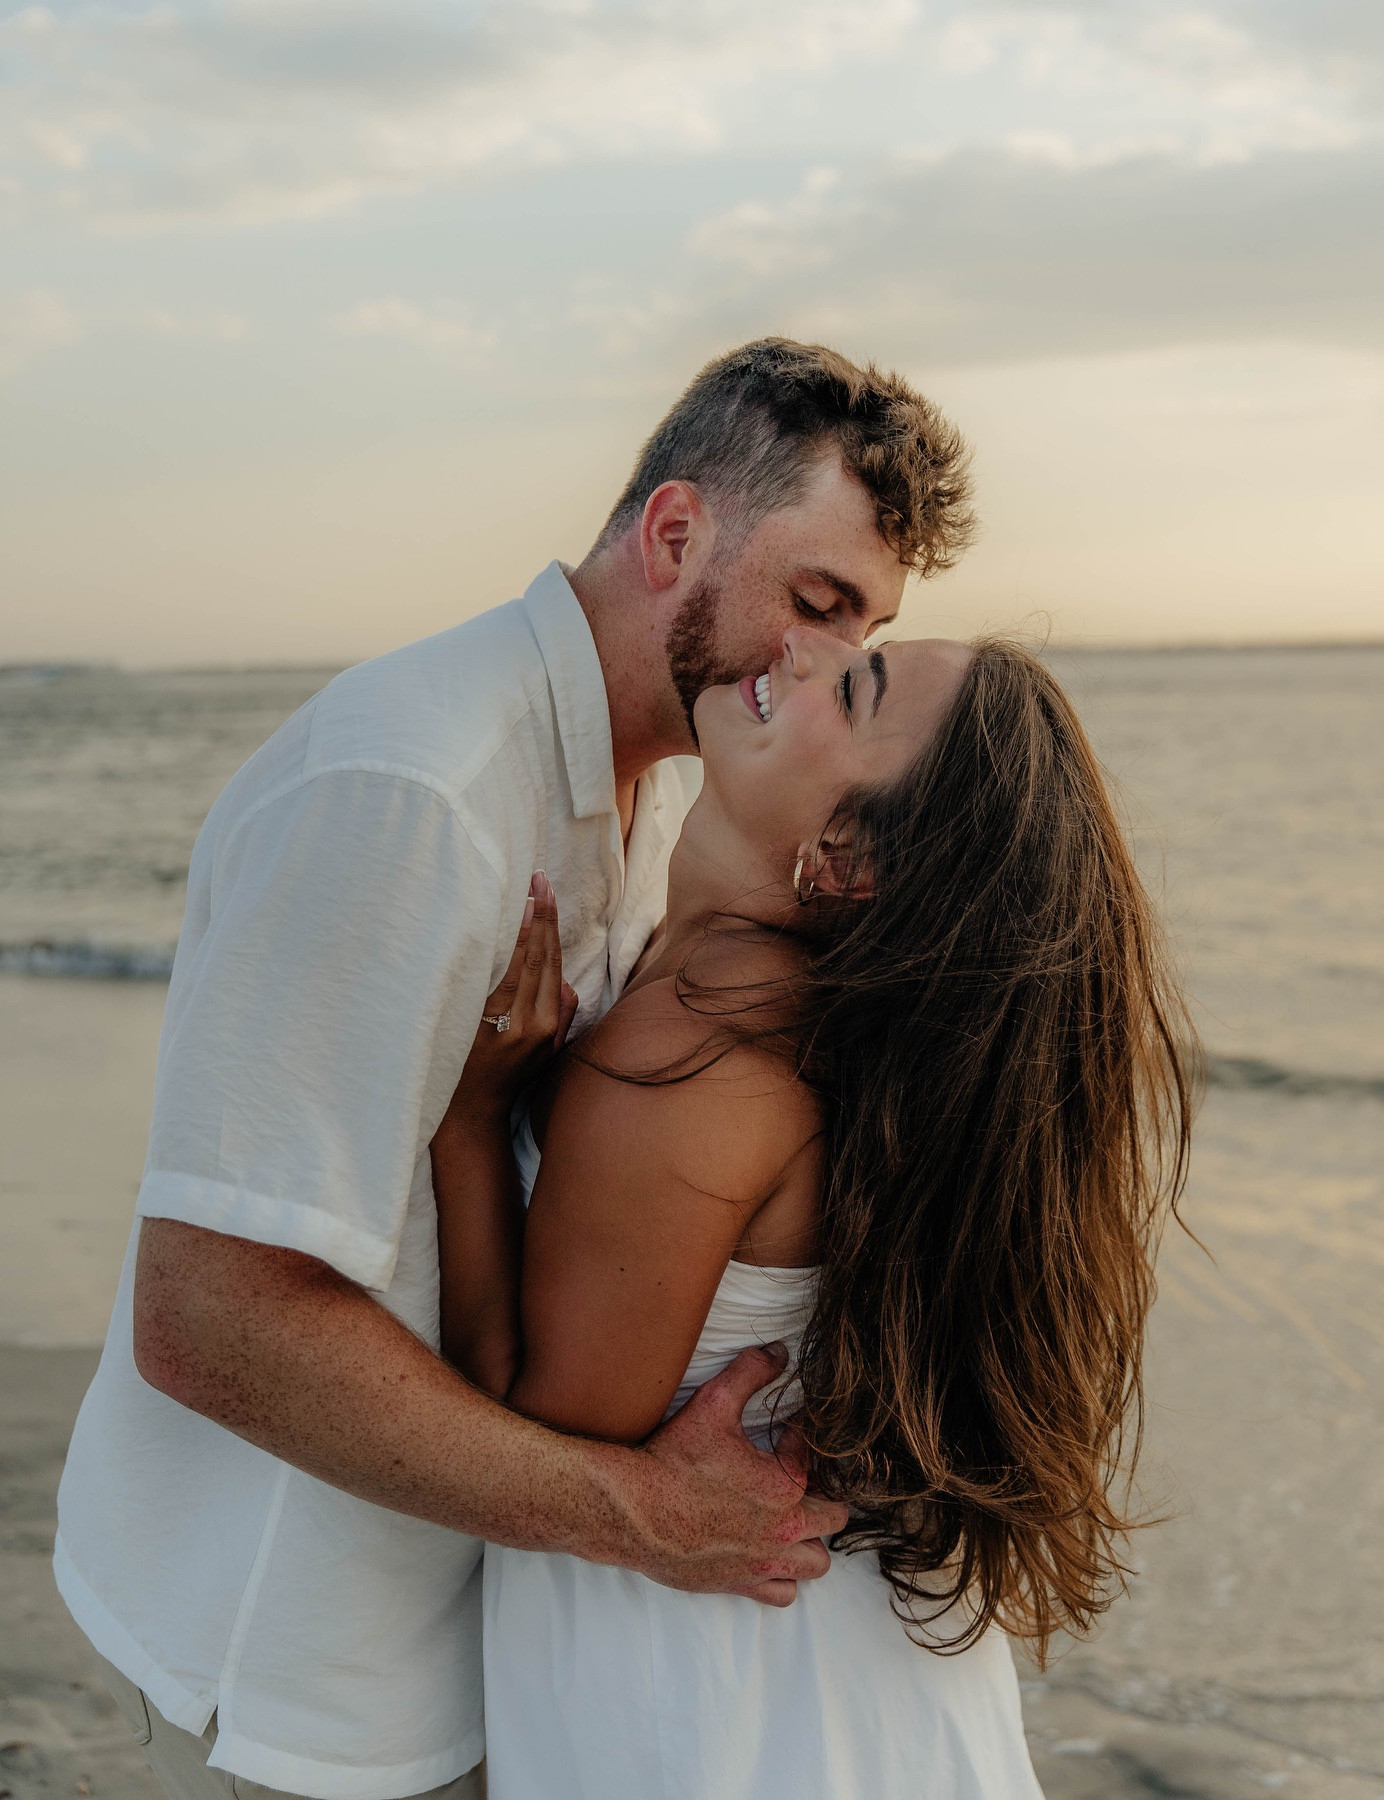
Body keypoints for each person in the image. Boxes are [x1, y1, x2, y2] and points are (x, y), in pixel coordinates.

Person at [53, 338, 977, 1800]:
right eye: (814, 603)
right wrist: (645, 1517)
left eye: (857, 639)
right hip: (306, 1668)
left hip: (487, 1647)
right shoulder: (413, 793)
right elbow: (209, 1318)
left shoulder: (659, 794)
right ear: (675, 534)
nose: (818, 660)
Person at [432, 629, 1194, 1798]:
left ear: (846, 855)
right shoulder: (801, 1024)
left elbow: (524, 1430)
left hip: (713, 1698)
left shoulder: (696, 1052)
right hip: (838, 1672)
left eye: (856, 685)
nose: (807, 646)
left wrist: (470, 1121)